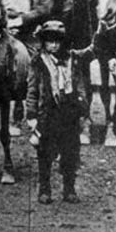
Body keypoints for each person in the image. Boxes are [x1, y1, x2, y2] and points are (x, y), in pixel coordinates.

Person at [26, 20, 88, 204]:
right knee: (45, 152)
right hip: (48, 112)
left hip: (69, 111)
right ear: (44, 42)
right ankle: (44, 189)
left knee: (70, 151)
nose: (53, 45)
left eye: (57, 41)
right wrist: (31, 114)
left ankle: (69, 188)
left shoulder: (72, 60)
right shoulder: (38, 61)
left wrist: (83, 108)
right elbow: (32, 90)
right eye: (49, 41)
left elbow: (80, 85)